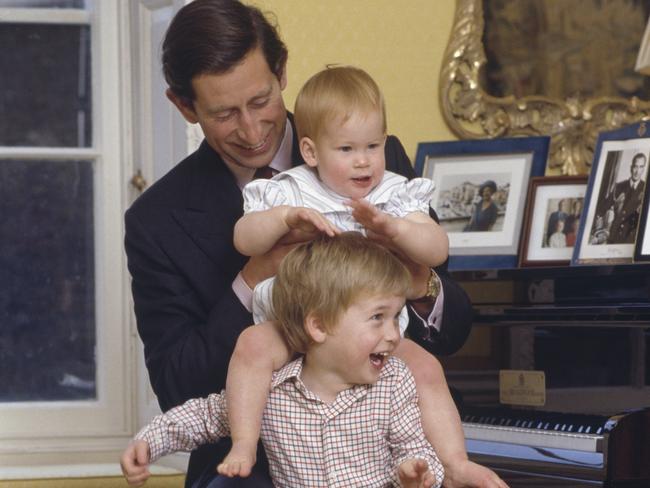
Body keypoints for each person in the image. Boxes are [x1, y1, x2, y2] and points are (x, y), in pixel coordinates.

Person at [123, 1, 503, 486]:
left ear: (281, 72)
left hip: (387, 437)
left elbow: (454, 328)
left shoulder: (372, 158)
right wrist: (255, 273)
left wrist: (413, 279)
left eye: (260, 101)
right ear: (184, 106)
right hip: (258, 458)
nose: (251, 129)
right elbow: (180, 383)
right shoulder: (157, 219)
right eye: (223, 114)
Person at [222, 65, 449, 476]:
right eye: (346, 150)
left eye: (373, 146)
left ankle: (455, 465)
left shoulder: (392, 192)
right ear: (311, 152)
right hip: (292, 323)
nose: (363, 162)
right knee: (252, 348)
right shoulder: (289, 189)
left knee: (427, 369)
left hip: (366, 332)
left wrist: (394, 229)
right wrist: (285, 219)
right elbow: (244, 239)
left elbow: (436, 249)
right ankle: (243, 442)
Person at [121, 233, 444, 488]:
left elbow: (414, 446)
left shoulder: (394, 383)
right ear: (318, 326)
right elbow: (204, 416)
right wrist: (149, 442)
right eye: (378, 317)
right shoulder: (271, 391)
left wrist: (414, 472)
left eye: (396, 317)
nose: (393, 334)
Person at [606, 153, 647, 244]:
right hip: (614, 237)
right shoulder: (619, 186)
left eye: (641, 167)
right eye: (635, 167)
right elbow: (604, 208)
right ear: (631, 167)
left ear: (644, 169)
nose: (637, 171)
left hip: (632, 240)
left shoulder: (646, 189)